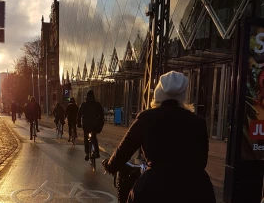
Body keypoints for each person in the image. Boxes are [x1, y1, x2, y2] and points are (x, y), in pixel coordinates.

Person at [103, 71, 216, 203]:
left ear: (158, 94)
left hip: (154, 188)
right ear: (184, 95)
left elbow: (124, 150)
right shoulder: (198, 122)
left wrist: (111, 165)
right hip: (195, 189)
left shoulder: (146, 118)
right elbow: (202, 161)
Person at [77, 90, 104, 161]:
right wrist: (100, 122)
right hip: (94, 126)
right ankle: (97, 153)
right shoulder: (97, 104)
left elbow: (79, 115)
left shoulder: (84, 105)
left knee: (86, 139)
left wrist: (79, 124)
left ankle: (87, 153)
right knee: (94, 138)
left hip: (86, 126)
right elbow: (102, 113)